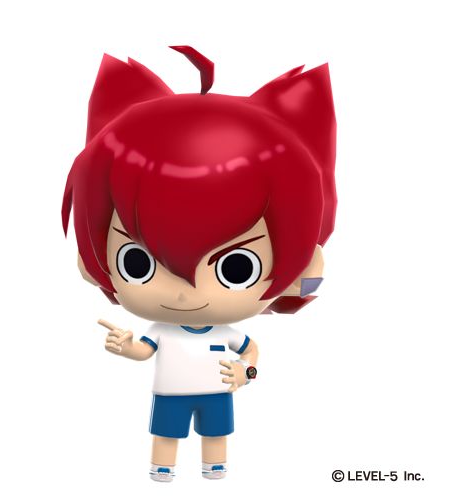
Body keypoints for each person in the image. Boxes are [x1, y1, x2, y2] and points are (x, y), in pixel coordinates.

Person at [62, 45, 337, 481]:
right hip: (170, 394)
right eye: (137, 263)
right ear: (89, 259)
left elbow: (251, 356)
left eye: (236, 269)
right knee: (165, 434)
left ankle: (214, 468)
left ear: (304, 267)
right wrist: (125, 346)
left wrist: (244, 374)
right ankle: (162, 470)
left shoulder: (228, 333)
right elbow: (144, 351)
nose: (182, 292)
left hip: (215, 393)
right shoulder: (163, 331)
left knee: (216, 434)